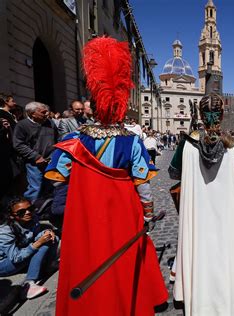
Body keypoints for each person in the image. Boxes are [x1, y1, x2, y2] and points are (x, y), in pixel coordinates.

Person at [44, 36, 168, 316]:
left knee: (88, 259)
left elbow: (56, 178)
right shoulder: (131, 141)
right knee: (122, 263)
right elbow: (143, 186)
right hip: (124, 214)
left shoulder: (73, 140)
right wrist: (147, 214)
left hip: (85, 216)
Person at [170, 93, 234, 315]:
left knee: (198, 244)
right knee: (224, 245)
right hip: (223, 214)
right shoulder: (231, 145)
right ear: (221, 114)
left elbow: (173, 173)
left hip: (198, 214)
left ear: (200, 114)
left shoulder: (187, 144)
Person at [0, 196, 58, 299]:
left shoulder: (33, 217)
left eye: (30, 209)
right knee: (40, 247)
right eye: (21, 212)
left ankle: (47, 266)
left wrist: (45, 233)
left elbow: (35, 235)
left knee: (51, 239)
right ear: (12, 216)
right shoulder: (5, 231)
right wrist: (37, 243)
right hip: (4, 263)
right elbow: (15, 257)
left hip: (21, 251)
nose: (27, 213)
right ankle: (28, 285)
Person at [13, 102, 58, 203]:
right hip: (33, 163)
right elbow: (18, 144)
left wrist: (53, 155)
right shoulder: (22, 125)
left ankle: (46, 210)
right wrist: (36, 157)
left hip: (50, 161)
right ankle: (31, 212)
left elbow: (57, 140)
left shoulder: (50, 123)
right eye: (43, 112)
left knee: (51, 187)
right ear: (32, 113)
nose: (47, 114)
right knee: (35, 188)